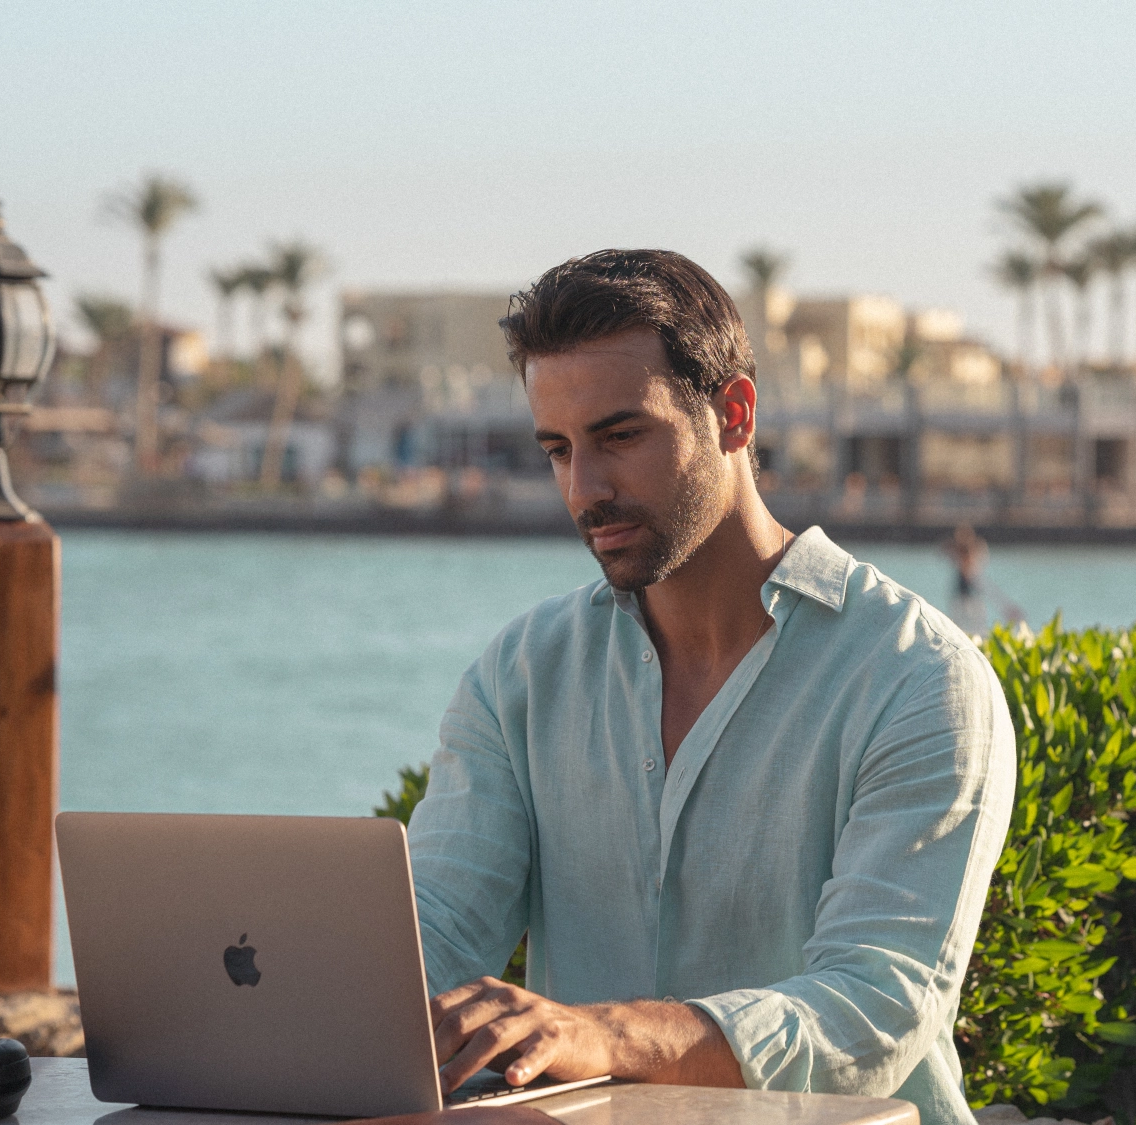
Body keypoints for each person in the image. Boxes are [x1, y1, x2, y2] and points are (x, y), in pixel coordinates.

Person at [406, 250, 1017, 1125]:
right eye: (558, 448)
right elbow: (433, 935)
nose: (586, 488)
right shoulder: (521, 675)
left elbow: (874, 1009)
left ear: (733, 413)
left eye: (621, 436)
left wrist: (606, 1036)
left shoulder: (919, 679)